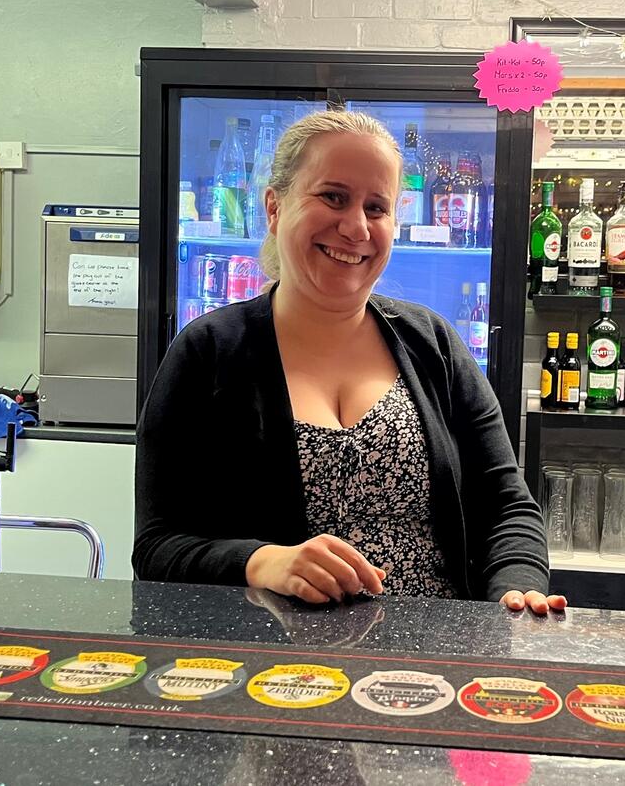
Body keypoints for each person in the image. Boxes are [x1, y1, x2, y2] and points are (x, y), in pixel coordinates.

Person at [134, 110, 566, 616]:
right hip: (268, 655)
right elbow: (156, 546)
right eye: (333, 197)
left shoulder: (434, 344)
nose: (356, 227)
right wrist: (262, 562)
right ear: (275, 207)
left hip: (433, 650)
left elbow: (506, 506)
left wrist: (516, 587)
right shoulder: (207, 351)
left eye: (376, 207)